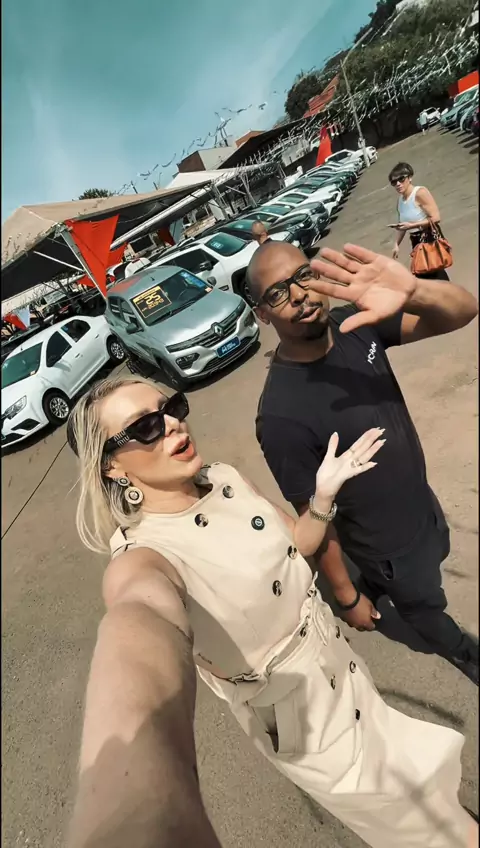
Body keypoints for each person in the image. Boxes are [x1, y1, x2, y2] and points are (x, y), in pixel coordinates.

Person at [66, 376, 476, 848]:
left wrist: (322, 498)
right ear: (112, 466)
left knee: (423, 790)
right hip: (306, 723)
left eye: (171, 407)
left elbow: (298, 545)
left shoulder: (223, 479)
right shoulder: (142, 556)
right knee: (430, 828)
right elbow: (138, 620)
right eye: (145, 427)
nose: (173, 424)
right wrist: (133, 805)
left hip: (342, 670)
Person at [251, 241, 479, 686]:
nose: (298, 294)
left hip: (422, 506)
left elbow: (464, 311)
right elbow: (314, 517)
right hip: (386, 548)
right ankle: (462, 651)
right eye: (277, 293)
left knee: (436, 556)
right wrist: (347, 596)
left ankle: (385, 584)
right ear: (263, 314)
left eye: (303, 276)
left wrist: (415, 291)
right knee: (425, 609)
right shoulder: (280, 416)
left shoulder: (354, 324)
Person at [389, 161, 450, 280]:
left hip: (429, 238)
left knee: (434, 272)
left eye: (401, 179)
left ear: (410, 177)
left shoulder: (420, 193)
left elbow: (436, 218)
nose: (398, 184)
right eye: (394, 182)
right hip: (416, 242)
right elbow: (402, 226)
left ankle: (451, 291)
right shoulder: (400, 201)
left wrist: (412, 225)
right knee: (426, 275)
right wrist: (396, 244)